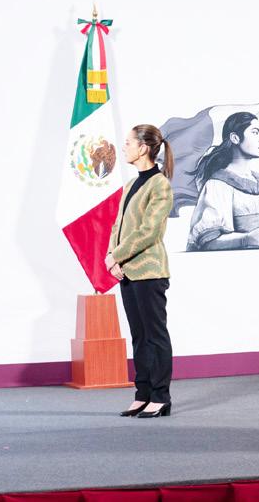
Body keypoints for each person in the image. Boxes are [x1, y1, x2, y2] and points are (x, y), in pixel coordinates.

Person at [107, 124, 175, 419]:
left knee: (155, 335)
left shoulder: (160, 185)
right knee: (139, 336)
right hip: (128, 271)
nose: (124, 147)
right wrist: (112, 257)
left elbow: (149, 231)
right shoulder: (130, 185)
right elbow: (118, 226)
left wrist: (116, 255)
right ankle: (143, 393)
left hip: (149, 272)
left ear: (143, 147)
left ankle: (161, 397)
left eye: (128, 142)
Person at [186, 111, 259, 251]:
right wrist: (246, 239)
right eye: (255, 132)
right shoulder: (218, 185)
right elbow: (207, 242)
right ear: (235, 138)